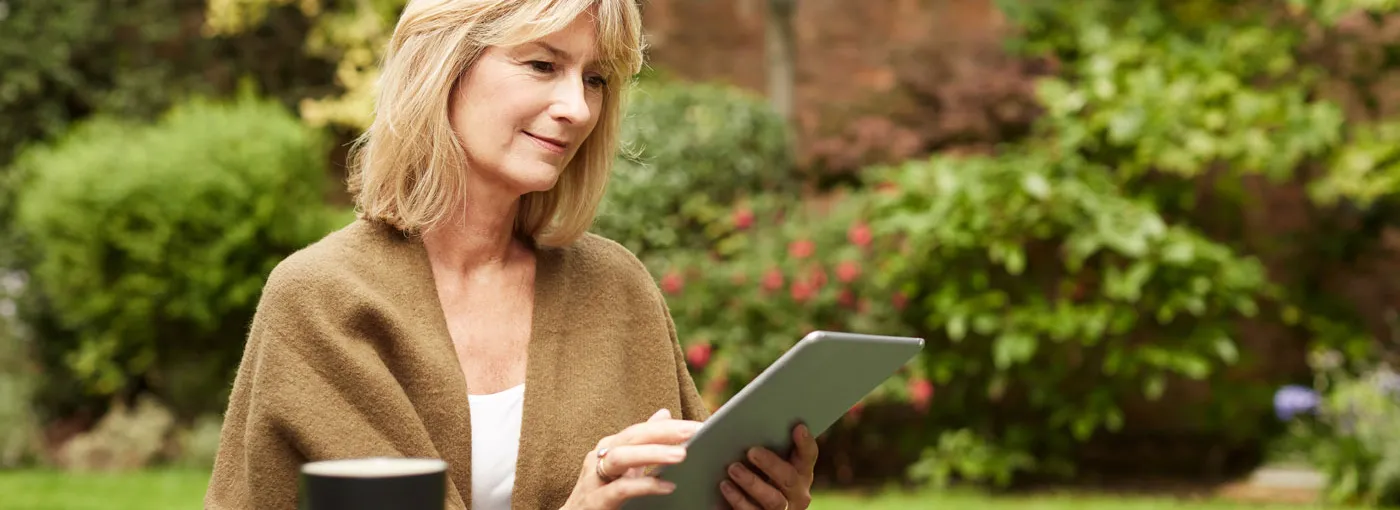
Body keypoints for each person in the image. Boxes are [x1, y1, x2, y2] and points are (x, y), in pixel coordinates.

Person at [204, 0, 819, 509]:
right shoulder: (324, 300)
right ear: (445, 66)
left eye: (595, 78)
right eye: (543, 65)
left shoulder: (616, 287)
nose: (577, 108)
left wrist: (756, 495)